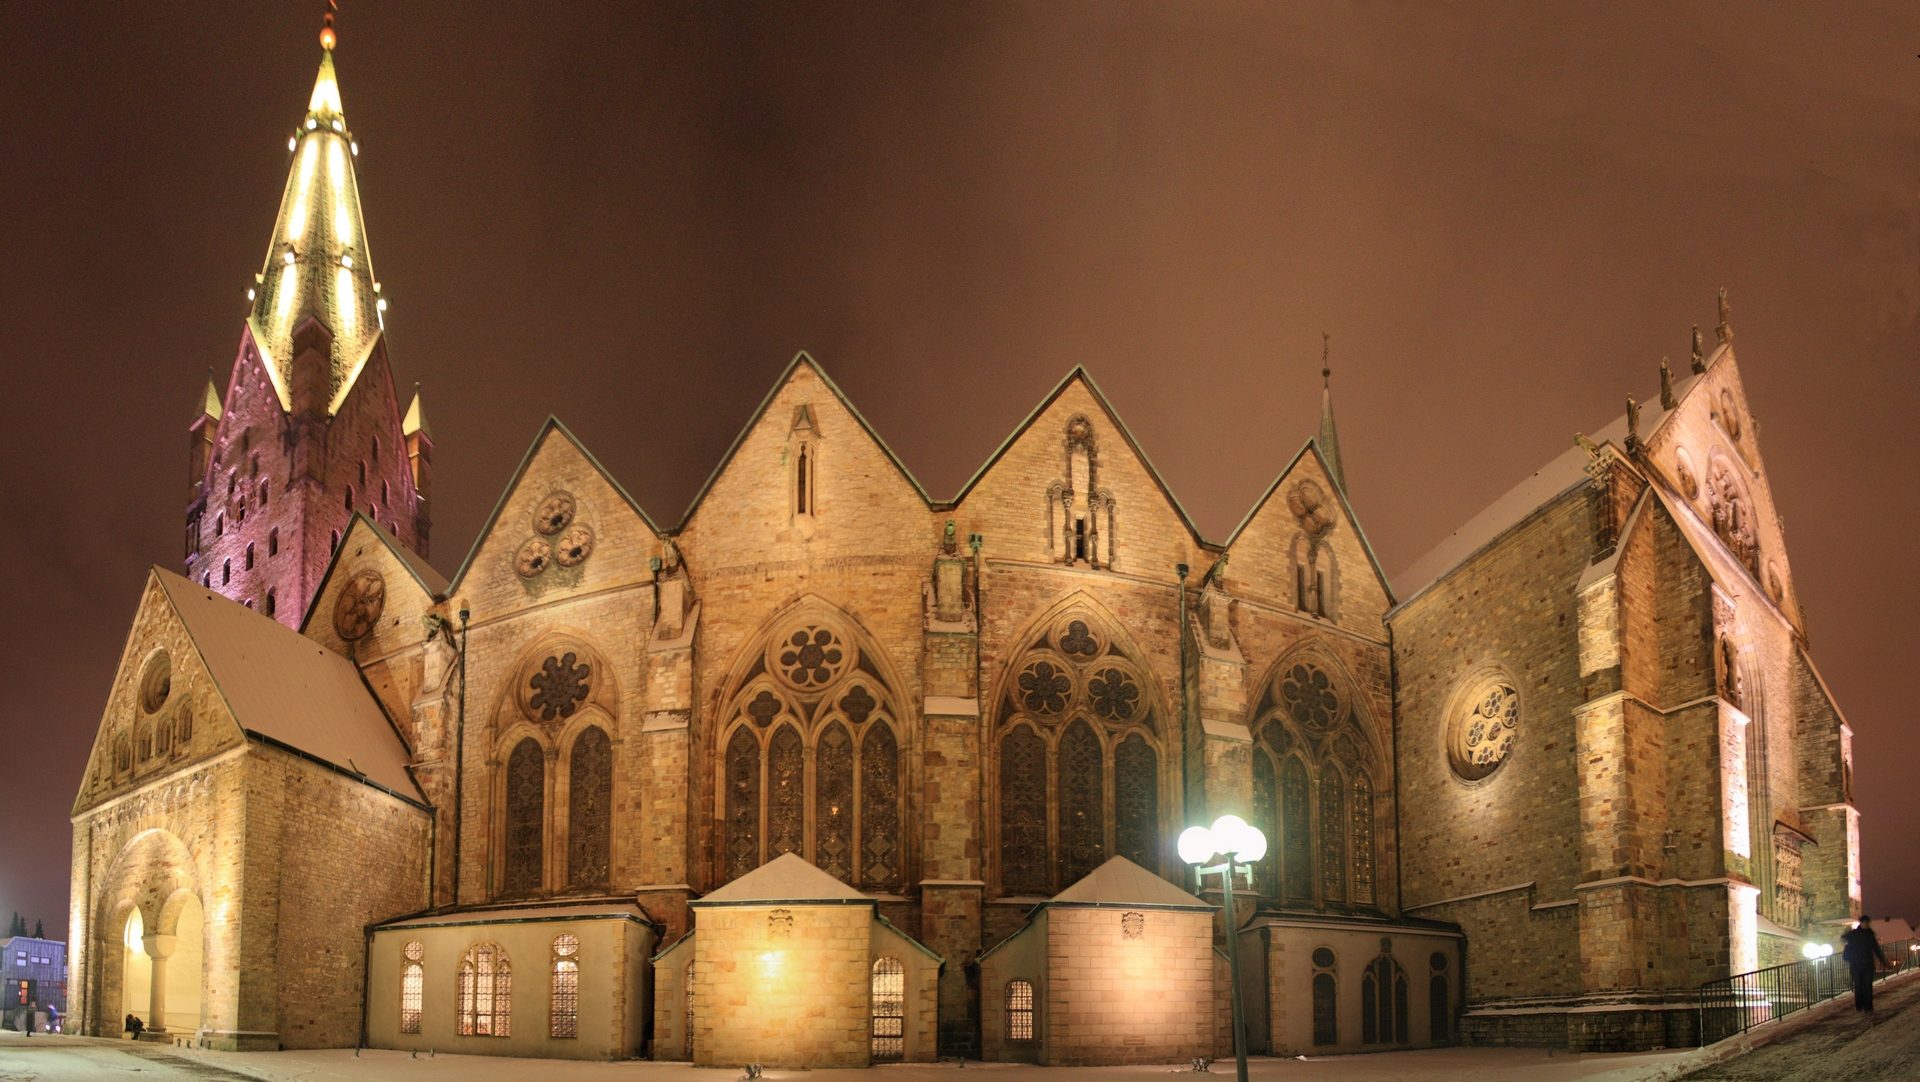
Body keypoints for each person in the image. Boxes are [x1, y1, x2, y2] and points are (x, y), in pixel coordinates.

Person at [1841, 914, 1888, 1014]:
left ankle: (1867, 1006)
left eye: (1867, 923)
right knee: (1859, 986)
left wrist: (1884, 962)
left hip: (1865, 965)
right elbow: (1844, 938)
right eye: (1865, 923)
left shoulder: (1868, 935)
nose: (1866, 924)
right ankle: (1860, 1006)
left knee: (1867, 986)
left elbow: (1876, 950)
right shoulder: (1857, 934)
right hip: (1857, 965)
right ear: (1862, 923)